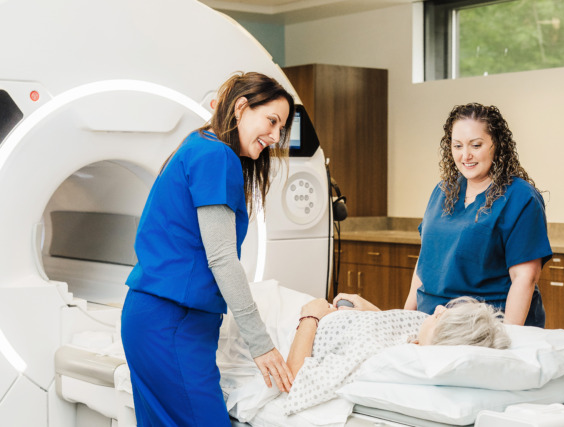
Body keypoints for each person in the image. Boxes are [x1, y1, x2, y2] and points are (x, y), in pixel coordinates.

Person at [120, 72, 296, 426]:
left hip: (151, 317)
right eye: (272, 121)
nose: (276, 137)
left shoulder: (196, 143)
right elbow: (221, 258)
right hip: (172, 323)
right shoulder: (217, 156)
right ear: (242, 107)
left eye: (281, 129)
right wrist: (261, 344)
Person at [404, 102, 552, 327]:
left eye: (476, 145)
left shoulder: (520, 197)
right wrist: (406, 318)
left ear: (497, 145)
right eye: (457, 146)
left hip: (483, 328)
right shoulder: (442, 191)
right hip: (431, 322)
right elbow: (425, 262)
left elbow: (525, 278)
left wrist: (507, 339)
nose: (466, 155)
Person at [282, 293, 510, 414]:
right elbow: (395, 331)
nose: (438, 308)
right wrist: (370, 310)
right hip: (330, 311)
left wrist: (310, 316)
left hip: (296, 321)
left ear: (441, 339)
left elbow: (296, 377)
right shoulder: (422, 328)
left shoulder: (374, 355)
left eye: (441, 316)